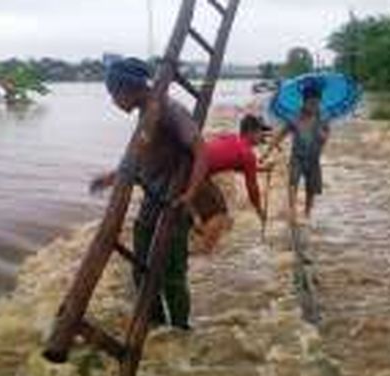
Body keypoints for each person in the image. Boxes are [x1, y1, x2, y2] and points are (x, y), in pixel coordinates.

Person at [91, 57, 208, 331]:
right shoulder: (148, 113)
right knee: (140, 269)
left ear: (126, 90)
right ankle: (154, 326)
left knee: (172, 275)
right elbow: (141, 157)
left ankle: (180, 332)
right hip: (152, 200)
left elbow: (202, 152)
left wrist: (189, 195)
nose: (113, 101)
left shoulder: (168, 109)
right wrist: (111, 178)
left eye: (113, 95)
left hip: (174, 203)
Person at [93, 114, 272, 252]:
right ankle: (204, 257)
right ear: (251, 132)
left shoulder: (232, 140)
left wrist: (260, 169)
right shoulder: (248, 154)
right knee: (219, 216)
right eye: (261, 133)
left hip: (186, 162)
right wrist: (259, 211)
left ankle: (112, 178)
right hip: (194, 173)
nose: (262, 137)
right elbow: (253, 190)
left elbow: (232, 163)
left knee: (146, 173)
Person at [263, 81, 330, 222]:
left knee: (311, 189)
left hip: (313, 158)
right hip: (297, 157)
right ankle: (292, 211)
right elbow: (280, 135)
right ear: (304, 103)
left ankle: (307, 213)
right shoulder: (295, 118)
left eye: (317, 103)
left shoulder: (323, 118)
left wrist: (321, 133)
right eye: (311, 103)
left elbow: (325, 138)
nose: (314, 106)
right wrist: (267, 152)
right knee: (293, 183)